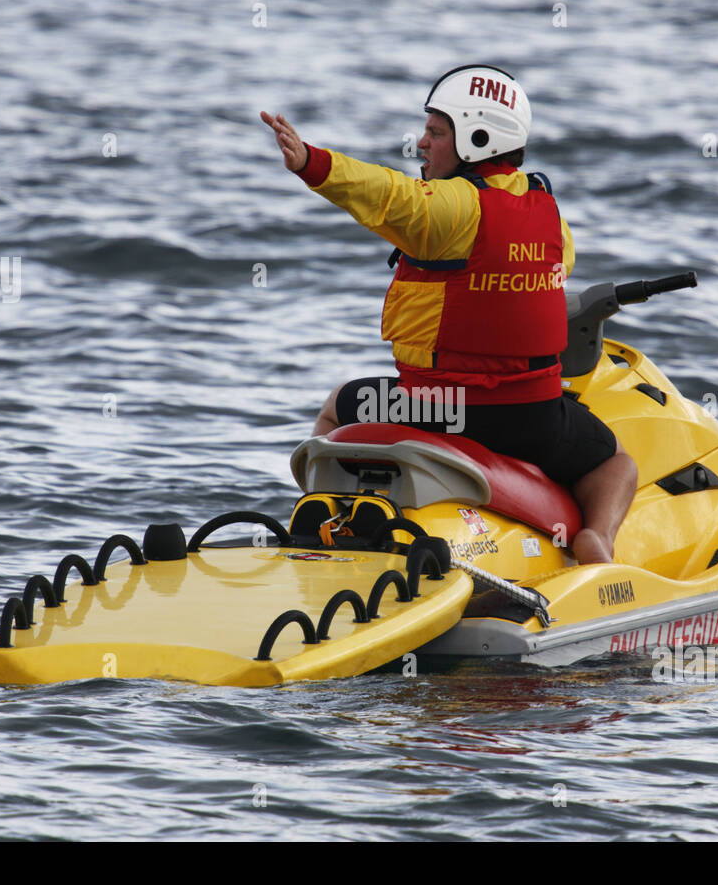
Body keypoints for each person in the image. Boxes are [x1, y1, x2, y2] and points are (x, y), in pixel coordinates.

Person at [260, 64, 636, 565]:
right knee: (615, 462)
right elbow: (555, 266)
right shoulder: (547, 212)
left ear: (477, 139)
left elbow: (388, 196)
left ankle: (317, 515)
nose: (421, 144)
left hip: (435, 408)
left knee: (336, 405)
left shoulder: (452, 209)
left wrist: (313, 163)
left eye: (436, 133)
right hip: (533, 418)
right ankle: (598, 539)